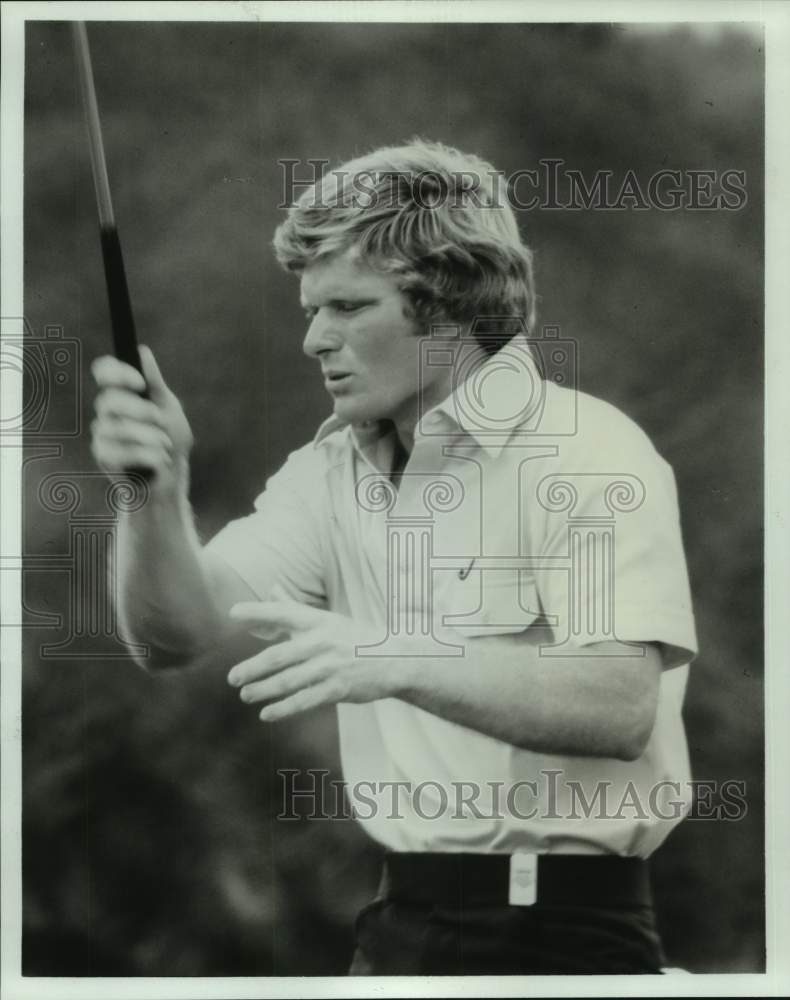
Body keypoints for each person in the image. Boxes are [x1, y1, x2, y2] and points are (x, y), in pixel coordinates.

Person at [90, 140, 697, 976]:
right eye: (311, 309)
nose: (313, 340)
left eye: (347, 307)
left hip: (567, 939)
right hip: (397, 931)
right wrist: (152, 493)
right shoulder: (330, 470)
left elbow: (619, 703)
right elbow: (174, 635)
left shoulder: (587, 451)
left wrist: (388, 657)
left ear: (447, 306)